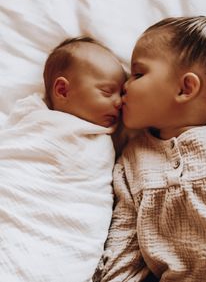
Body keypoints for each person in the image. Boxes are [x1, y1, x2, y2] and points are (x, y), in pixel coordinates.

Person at [96, 0, 206, 282]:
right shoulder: (132, 161)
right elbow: (123, 244)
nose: (124, 85)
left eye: (138, 73)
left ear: (185, 88)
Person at [0, 37, 126, 282]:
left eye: (121, 93)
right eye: (107, 91)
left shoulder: (103, 142)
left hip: (65, 232)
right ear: (62, 90)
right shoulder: (31, 117)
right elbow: (12, 155)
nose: (119, 102)